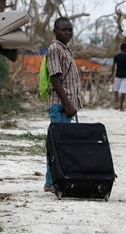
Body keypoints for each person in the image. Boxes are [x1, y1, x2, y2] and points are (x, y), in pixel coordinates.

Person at [44, 17, 82, 192]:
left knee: (60, 143)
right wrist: (67, 105)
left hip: (66, 105)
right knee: (59, 144)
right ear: (55, 31)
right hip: (60, 105)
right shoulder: (54, 49)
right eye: (63, 29)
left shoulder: (66, 50)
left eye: (70, 30)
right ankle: (53, 181)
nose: (67, 33)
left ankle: (52, 181)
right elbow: (54, 78)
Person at [111, 43, 126, 111]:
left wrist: (112, 74)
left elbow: (113, 66)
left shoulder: (116, 56)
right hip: (125, 76)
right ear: (125, 49)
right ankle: (121, 106)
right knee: (123, 91)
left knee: (116, 90)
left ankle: (116, 104)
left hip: (117, 75)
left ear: (120, 48)